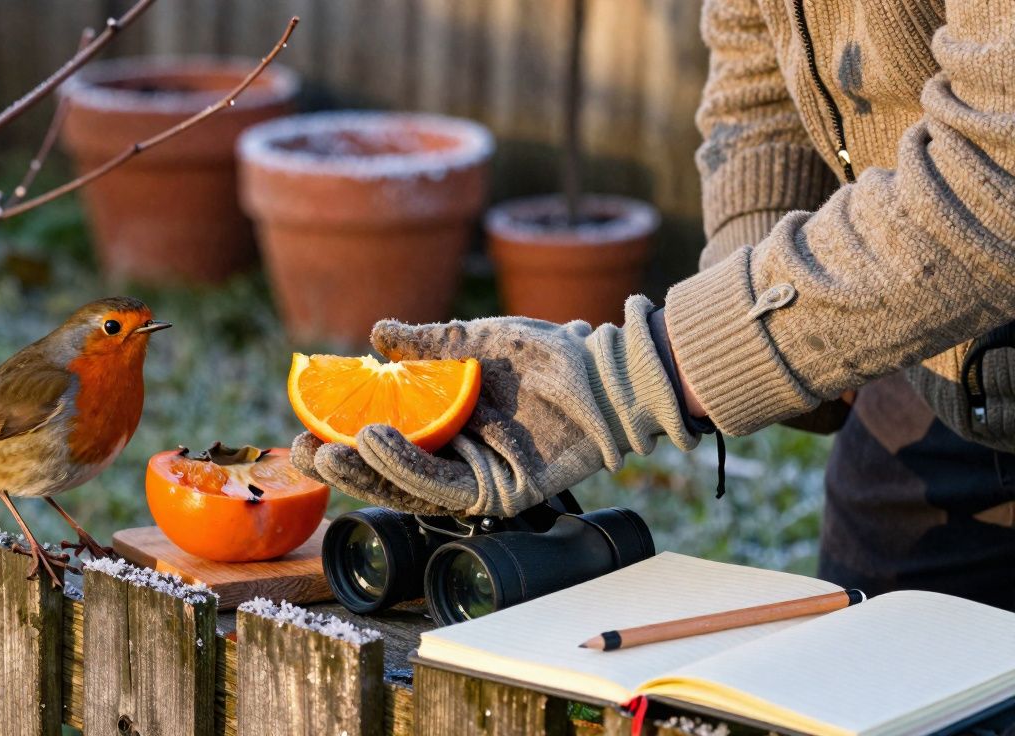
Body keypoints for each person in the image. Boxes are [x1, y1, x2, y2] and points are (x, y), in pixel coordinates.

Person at [292, 0, 1015, 612]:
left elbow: (997, 175)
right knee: (874, 686)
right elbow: (759, 76)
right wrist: (780, 317)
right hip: (938, 363)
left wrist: (625, 381)